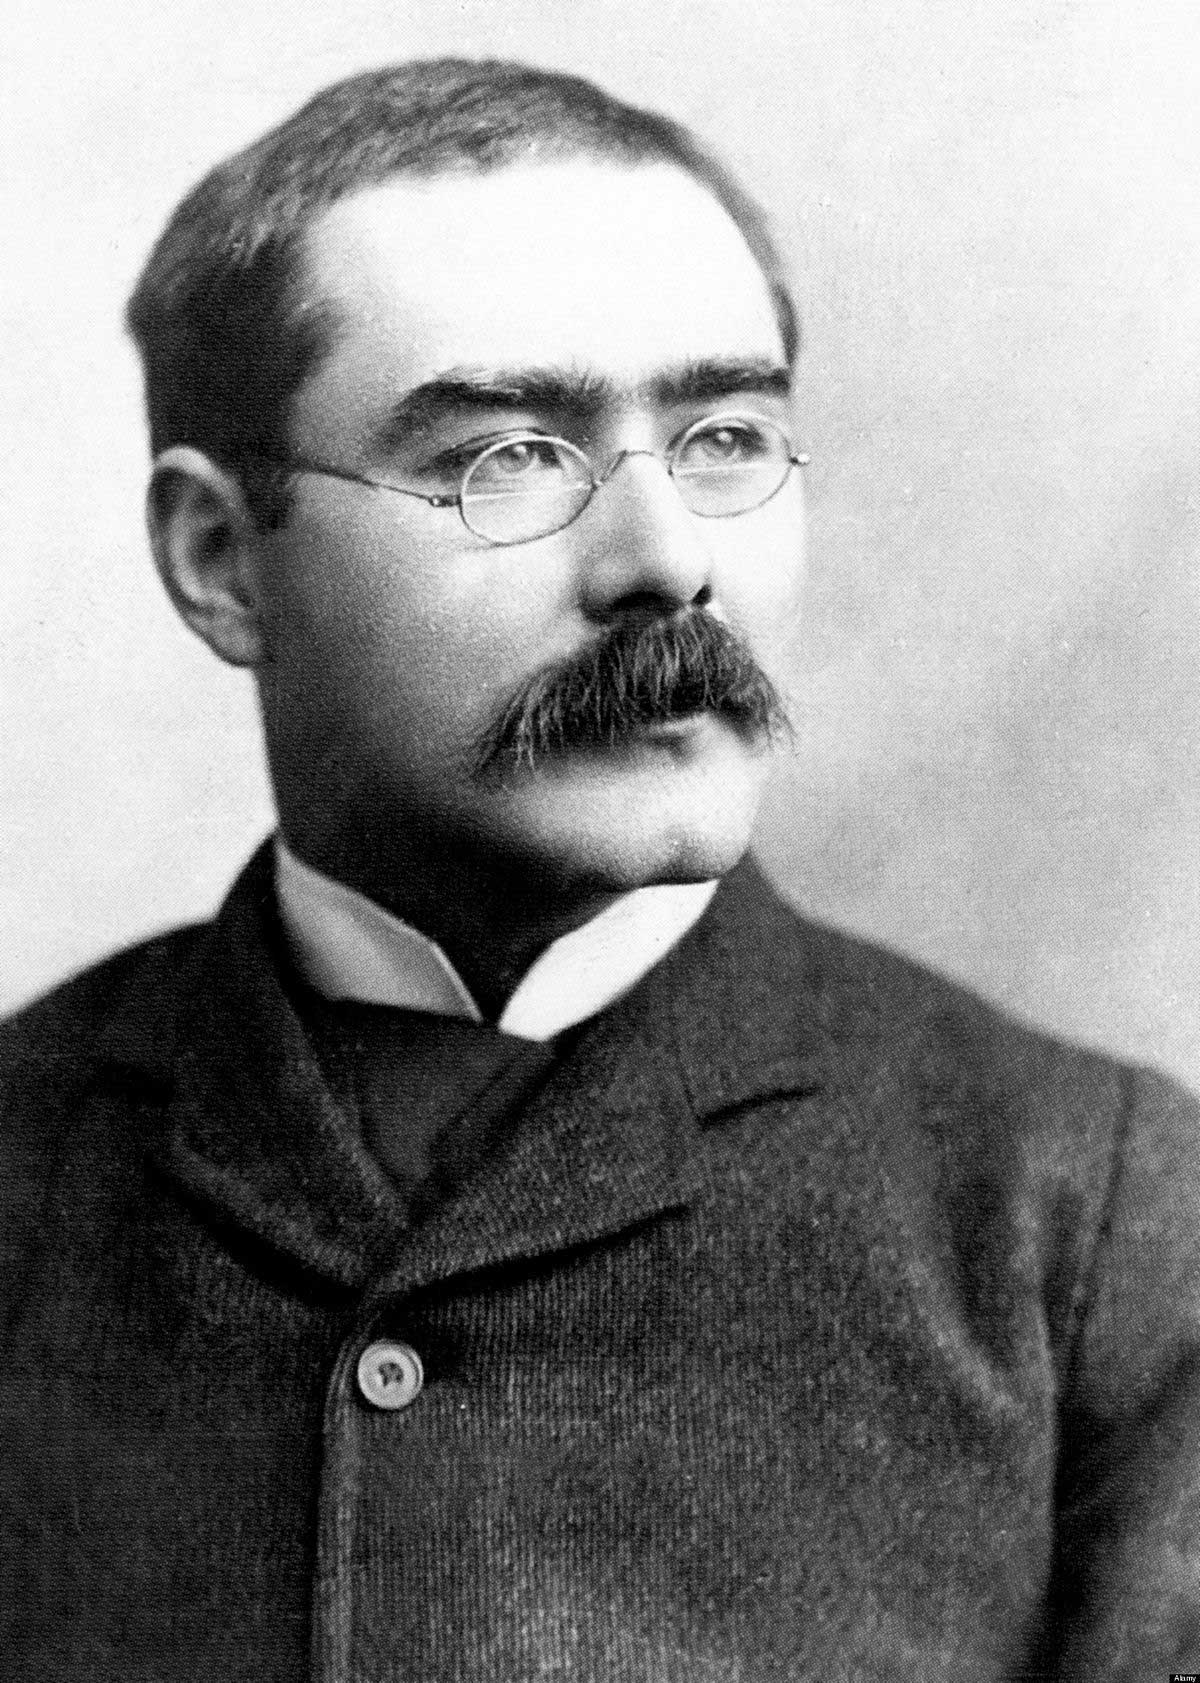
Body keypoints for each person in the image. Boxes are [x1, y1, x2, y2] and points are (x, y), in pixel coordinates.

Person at [1, 57, 1197, 1683]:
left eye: (726, 438)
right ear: (220, 560)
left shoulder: (1095, 1223)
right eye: (510, 456)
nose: (665, 561)